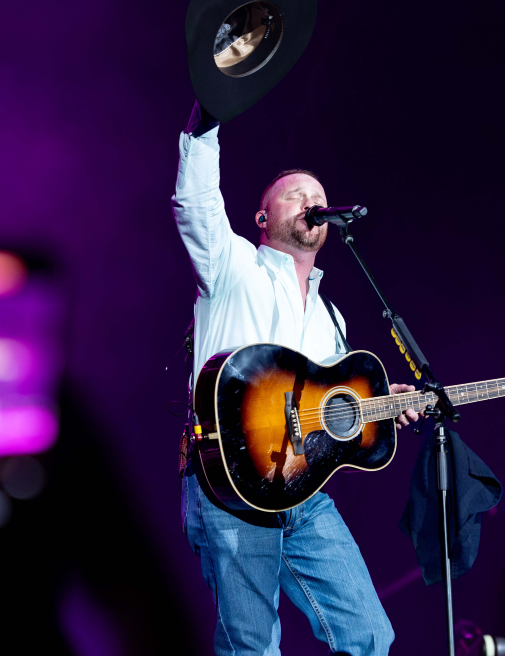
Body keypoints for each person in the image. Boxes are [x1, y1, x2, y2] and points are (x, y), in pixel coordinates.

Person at [172, 101, 418, 656]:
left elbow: (326, 415)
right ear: (263, 219)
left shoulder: (332, 318)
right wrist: (206, 118)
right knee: (253, 648)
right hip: (230, 485)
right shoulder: (232, 265)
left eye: (317, 195)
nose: (311, 201)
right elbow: (196, 203)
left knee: (369, 635)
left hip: (303, 494)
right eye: (295, 194)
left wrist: (381, 406)